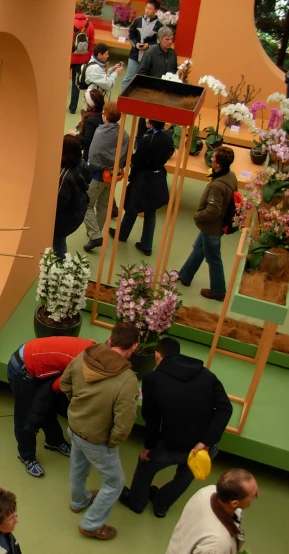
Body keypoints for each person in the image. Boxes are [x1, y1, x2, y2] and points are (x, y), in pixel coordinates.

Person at [120, 337, 233, 518]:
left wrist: (148, 447)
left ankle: (137, 502)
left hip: (173, 443)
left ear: (157, 355)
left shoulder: (153, 379)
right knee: (185, 476)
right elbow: (225, 408)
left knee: (146, 466)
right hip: (203, 447)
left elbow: (152, 418)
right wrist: (206, 441)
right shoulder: (206, 374)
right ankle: (161, 505)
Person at [60, 322, 140, 541]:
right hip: (97, 439)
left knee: (78, 467)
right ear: (134, 346)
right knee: (115, 482)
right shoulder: (127, 380)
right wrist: (112, 442)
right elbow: (124, 422)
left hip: (75, 427)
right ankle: (91, 524)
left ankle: (78, 502)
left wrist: (78, 408)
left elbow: (65, 384)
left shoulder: (84, 356)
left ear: (110, 339)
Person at [7, 336, 95, 477]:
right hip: (23, 369)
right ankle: (26, 455)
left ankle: (54, 441)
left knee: (47, 405)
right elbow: (56, 386)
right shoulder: (80, 366)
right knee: (25, 418)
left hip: (40, 363)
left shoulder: (94, 350)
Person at [178, 146, 237, 301]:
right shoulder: (231, 176)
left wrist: (198, 215)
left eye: (214, 157)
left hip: (212, 228)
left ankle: (218, 290)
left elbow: (213, 211)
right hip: (215, 226)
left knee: (213, 258)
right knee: (199, 248)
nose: (211, 158)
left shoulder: (217, 185)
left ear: (218, 164)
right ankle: (185, 275)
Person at [109, 119, 174, 255]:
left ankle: (122, 234)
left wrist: (131, 164)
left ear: (150, 123)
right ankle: (147, 245)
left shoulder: (146, 141)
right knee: (151, 212)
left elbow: (138, 161)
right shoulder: (168, 137)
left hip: (144, 178)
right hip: (158, 177)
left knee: (132, 205)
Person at [166, 469, 258, 554]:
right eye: (253, 495)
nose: (257, 495)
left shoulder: (208, 491)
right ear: (234, 503)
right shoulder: (217, 545)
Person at [83, 102, 130, 252]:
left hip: (97, 176)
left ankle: (95, 234)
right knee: (103, 206)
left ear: (105, 116)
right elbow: (124, 156)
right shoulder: (125, 135)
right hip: (113, 176)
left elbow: (94, 155)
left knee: (86, 204)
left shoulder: (100, 132)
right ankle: (95, 231)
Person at [53, 135, 91, 258]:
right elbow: (88, 178)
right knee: (60, 240)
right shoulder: (81, 163)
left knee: (58, 242)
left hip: (64, 218)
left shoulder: (64, 176)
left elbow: (58, 203)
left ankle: (61, 268)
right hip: (78, 209)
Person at [120, 0, 163, 93]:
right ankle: (122, 99)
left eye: (150, 9)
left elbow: (160, 40)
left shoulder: (160, 25)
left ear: (156, 10)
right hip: (134, 55)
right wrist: (136, 44)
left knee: (144, 82)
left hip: (149, 57)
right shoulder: (137, 20)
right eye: (146, 8)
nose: (147, 10)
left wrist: (149, 45)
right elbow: (131, 34)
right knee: (128, 79)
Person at [69, 10, 95, 114]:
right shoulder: (90, 25)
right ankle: (73, 107)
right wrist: (88, 57)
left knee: (59, 81)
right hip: (81, 58)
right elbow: (92, 44)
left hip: (67, 57)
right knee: (76, 83)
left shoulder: (67, 22)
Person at [69, 89, 105, 162]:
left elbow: (87, 141)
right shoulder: (102, 115)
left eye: (86, 100)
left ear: (91, 103)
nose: (84, 101)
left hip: (89, 156)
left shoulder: (90, 120)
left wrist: (75, 135)